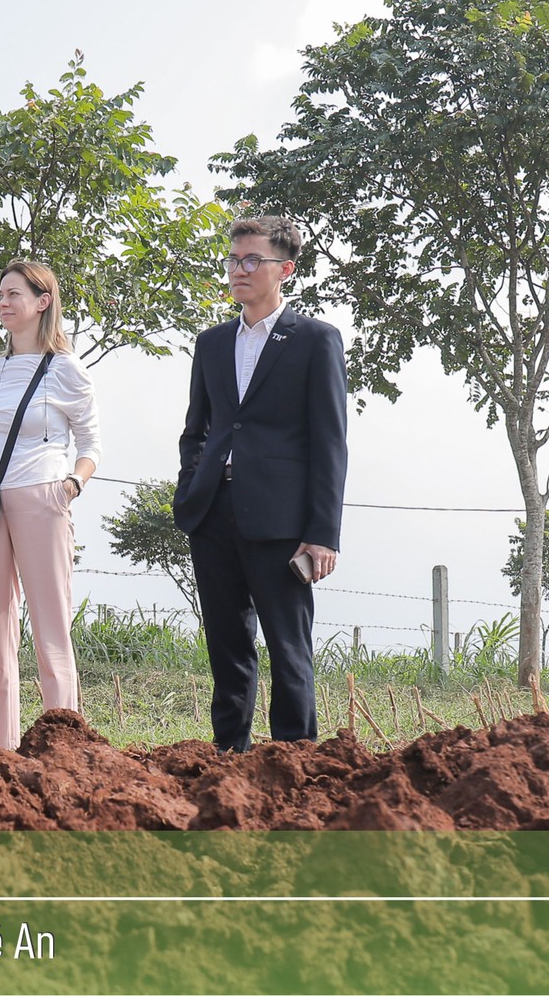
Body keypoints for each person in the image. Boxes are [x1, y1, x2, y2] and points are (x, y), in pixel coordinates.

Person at [175, 216, 347, 751]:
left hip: (282, 520)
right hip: (214, 513)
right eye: (233, 260)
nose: (239, 270)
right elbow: (196, 429)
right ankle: (229, 754)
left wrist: (323, 533)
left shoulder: (316, 340)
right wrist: (191, 488)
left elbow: (330, 442)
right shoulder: (211, 343)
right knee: (226, 646)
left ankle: (296, 758)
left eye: (252, 261)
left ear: (285, 270)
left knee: (288, 645)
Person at [0, 263, 100, 751]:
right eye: (0, 295)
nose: (3, 302)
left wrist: (72, 484)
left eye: (14, 294)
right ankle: (0, 746)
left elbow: (91, 442)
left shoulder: (66, 369)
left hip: (42, 494)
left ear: (42, 301)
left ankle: (63, 741)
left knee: (51, 625)